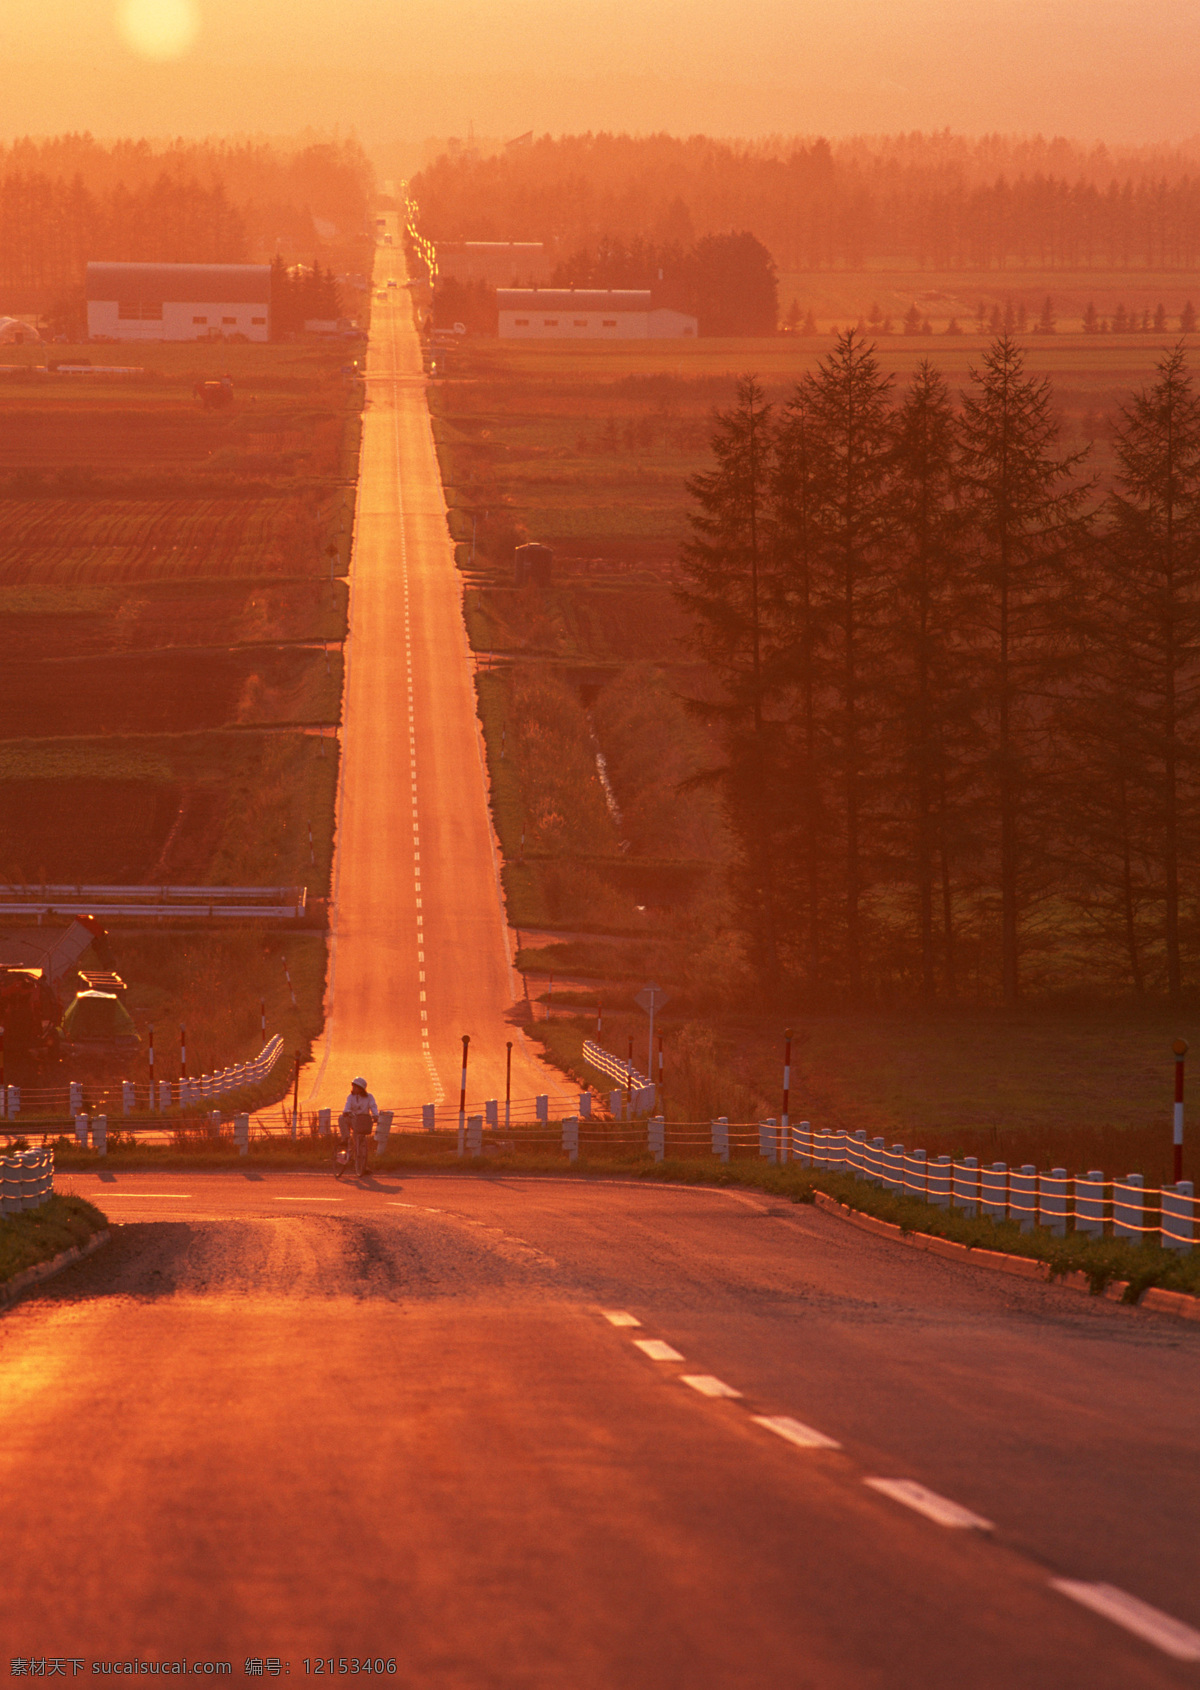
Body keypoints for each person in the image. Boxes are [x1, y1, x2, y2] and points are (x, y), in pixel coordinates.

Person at [340, 1076, 378, 1177]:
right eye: (353, 1086)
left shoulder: (369, 1097)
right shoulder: (350, 1097)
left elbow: (373, 1106)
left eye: (355, 1087)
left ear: (361, 1089)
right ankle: (345, 1138)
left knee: (360, 1145)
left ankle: (362, 1167)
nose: (353, 1089)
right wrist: (346, 1112)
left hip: (363, 1122)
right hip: (353, 1120)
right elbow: (347, 1107)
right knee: (341, 1118)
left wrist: (375, 1115)